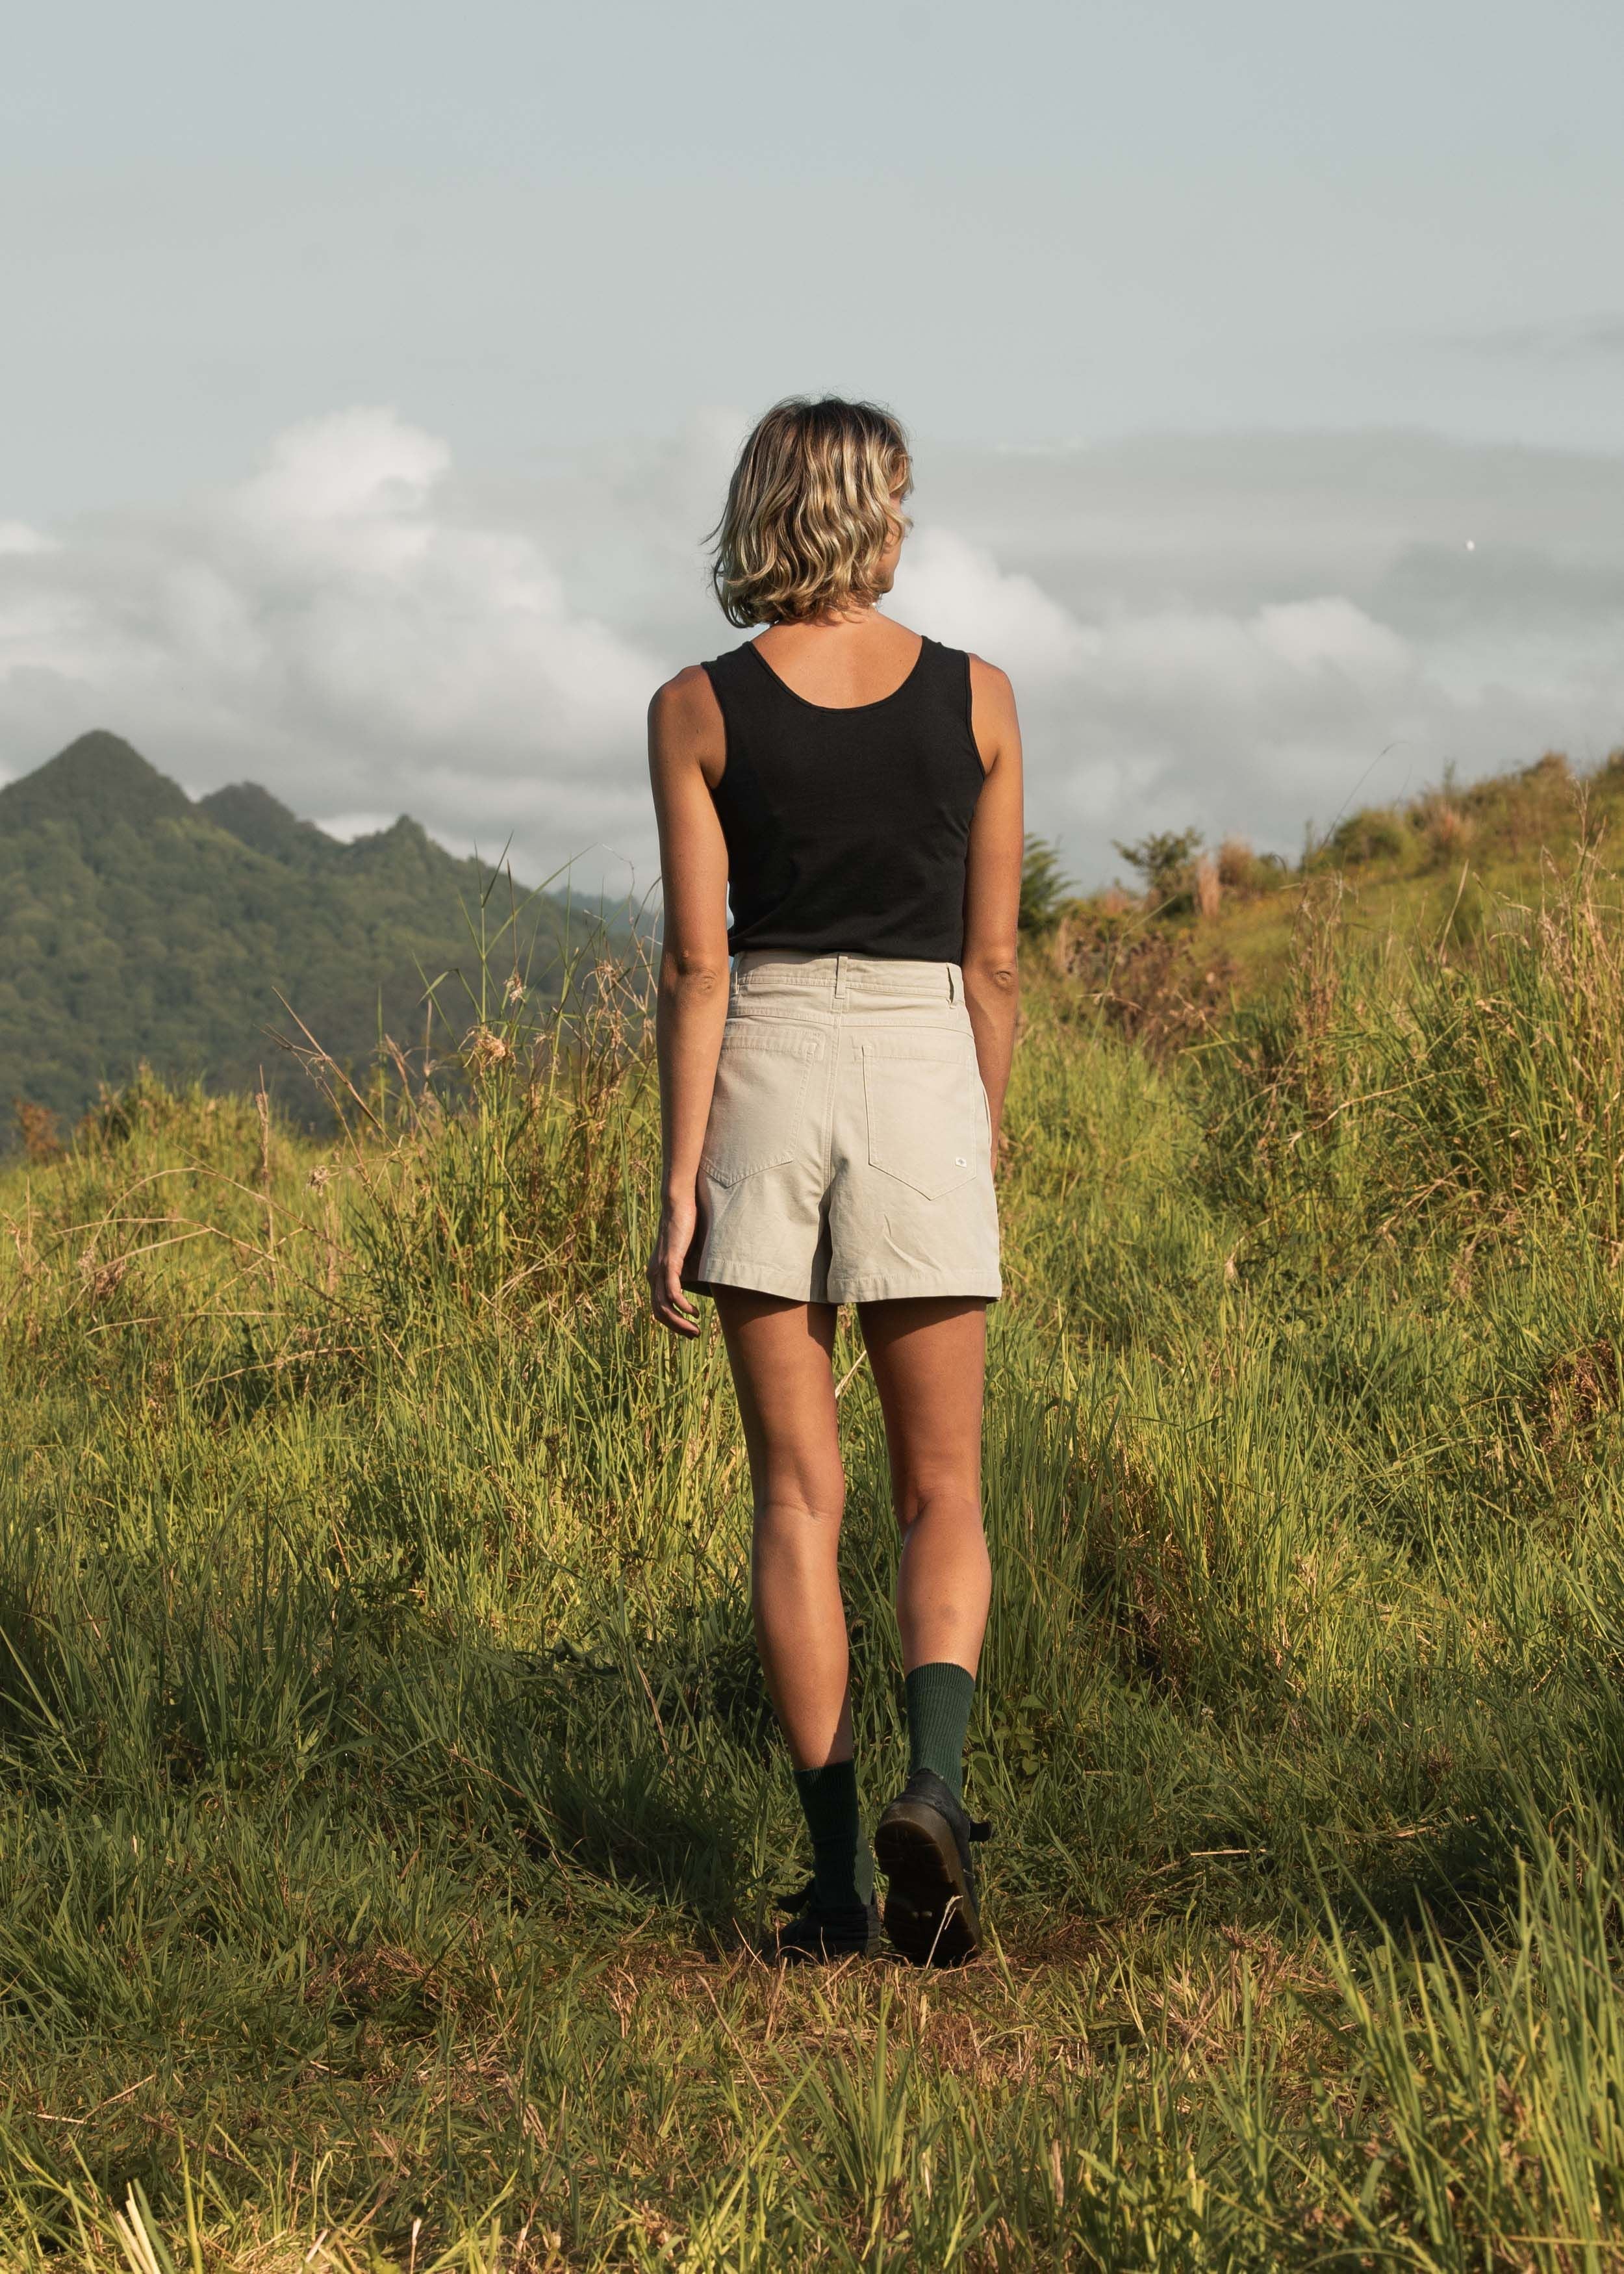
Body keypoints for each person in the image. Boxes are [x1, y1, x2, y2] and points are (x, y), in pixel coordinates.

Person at [645, 397, 1023, 1965]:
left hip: (772, 1067)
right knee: (944, 1486)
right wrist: (976, 1126)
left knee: (797, 1495)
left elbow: (692, 961)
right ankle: (932, 1786)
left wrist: (680, 1183)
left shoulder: (696, 706)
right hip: (924, 1054)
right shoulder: (980, 698)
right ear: (868, 513)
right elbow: (995, 961)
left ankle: (831, 1888)